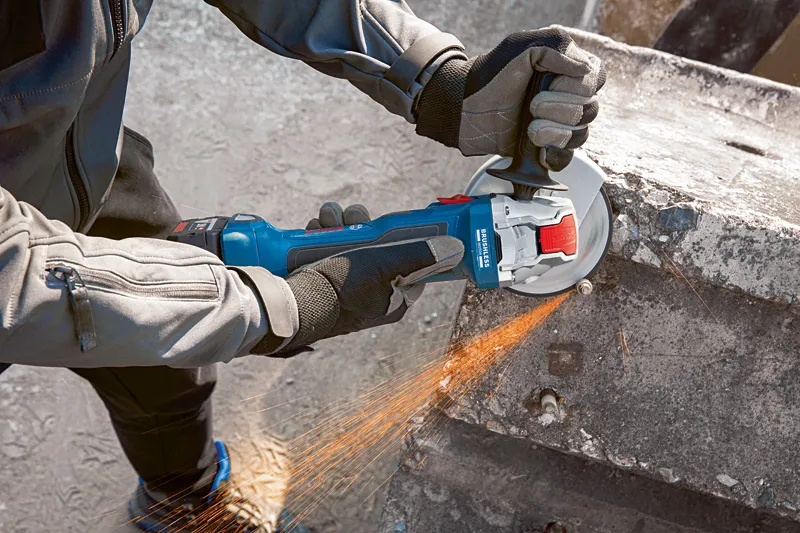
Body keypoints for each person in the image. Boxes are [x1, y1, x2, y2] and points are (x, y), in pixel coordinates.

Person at [0, 1, 605, 531]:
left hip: (75, 155)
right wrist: (277, 306)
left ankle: (183, 497)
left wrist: (434, 80)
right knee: (194, 302)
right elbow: (13, 282)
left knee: (172, 359)